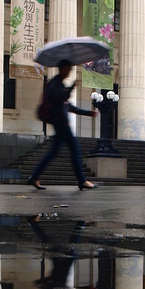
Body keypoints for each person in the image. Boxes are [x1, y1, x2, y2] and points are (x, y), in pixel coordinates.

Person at [28, 59, 98, 190]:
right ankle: (82, 180)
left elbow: (69, 106)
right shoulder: (55, 84)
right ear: (62, 69)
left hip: (59, 123)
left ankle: (35, 177)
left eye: (70, 69)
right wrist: (71, 88)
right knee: (75, 149)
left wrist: (88, 113)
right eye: (68, 69)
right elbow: (61, 99)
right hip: (61, 123)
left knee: (53, 152)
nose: (69, 72)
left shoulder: (58, 84)